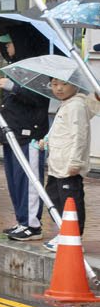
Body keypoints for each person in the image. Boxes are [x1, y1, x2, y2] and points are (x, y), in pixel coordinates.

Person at [0, 56, 50, 242]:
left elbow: (38, 98)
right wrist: (1, 132)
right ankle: (22, 220)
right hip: (13, 135)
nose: (7, 47)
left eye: (10, 44)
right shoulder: (15, 70)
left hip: (29, 136)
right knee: (15, 182)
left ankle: (32, 225)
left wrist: (13, 87)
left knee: (29, 181)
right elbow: (8, 107)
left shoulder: (38, 73)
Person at [43, 75, 97, 235]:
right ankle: (64, 233)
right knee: (53, 197)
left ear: (75, 85)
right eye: (54, 84)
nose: (59, 88)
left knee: (70, 202)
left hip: (68, 166)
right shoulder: (65, 104)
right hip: (57, 165)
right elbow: (62, 131)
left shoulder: (76, 106)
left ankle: (73, 237)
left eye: (64, 84)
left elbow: (79, 135)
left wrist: (75, 162)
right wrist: (46, 141)